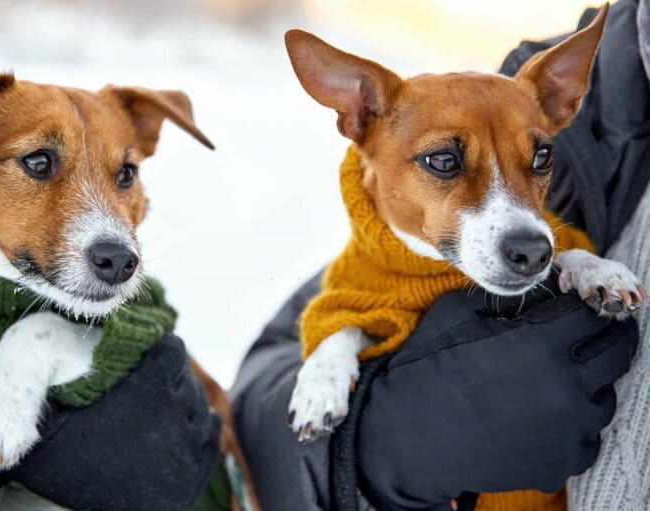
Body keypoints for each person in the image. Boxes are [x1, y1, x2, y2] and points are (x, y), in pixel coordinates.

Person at [231, 1, 649, 510]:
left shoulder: (515, 112)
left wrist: (581, 264)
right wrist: (374, 446)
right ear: (361, 115)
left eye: (537, 159)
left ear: (563, 98)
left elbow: (561, 253)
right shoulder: (377, 253)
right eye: (445, 162)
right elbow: (324, 324)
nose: (521, 226)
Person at [0, 81, 226, 511]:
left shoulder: (143, 330)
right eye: (39, 163)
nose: (117, 247)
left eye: (123, 175)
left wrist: (37, 345)